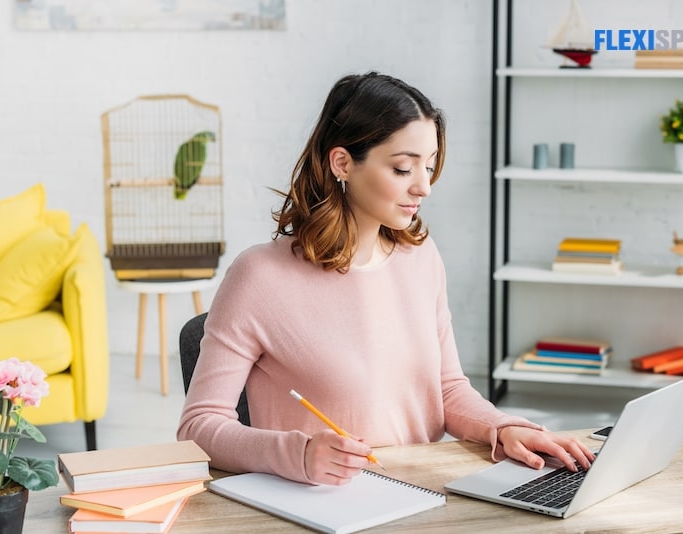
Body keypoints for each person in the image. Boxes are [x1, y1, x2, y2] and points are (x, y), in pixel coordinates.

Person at [177, 71, 595, 486]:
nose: (424, 187)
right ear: (342, 163)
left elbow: (446, 389)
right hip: (323, 506)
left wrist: (502, 428)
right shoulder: (259, 277)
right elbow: (198, 427)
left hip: (425, 494)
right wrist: (299, 454)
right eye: (402, 169)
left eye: (428, 167)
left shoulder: (420, 257)